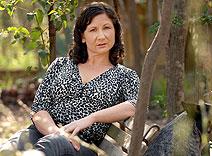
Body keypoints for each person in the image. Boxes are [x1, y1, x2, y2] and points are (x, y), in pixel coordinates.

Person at [0, 1, 140, 156]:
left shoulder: (125, 75)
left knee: (53, 145)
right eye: (93, 30)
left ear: (115, 31)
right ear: (82, 37)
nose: (102, 36)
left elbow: (135, 105)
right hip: (45, 132)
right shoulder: (60, 65)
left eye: (107, 28)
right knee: (8, 149)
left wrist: (92, 118)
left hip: (81, 145)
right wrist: (56, 132)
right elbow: (39, 109)